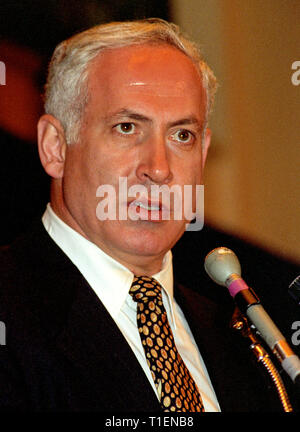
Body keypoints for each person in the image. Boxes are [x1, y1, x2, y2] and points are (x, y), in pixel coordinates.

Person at [0, 18, 299, 413]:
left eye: (182, 136)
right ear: (55, 147)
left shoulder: (245, 345)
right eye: (126, 127)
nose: (159, 168)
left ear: (203, 153)